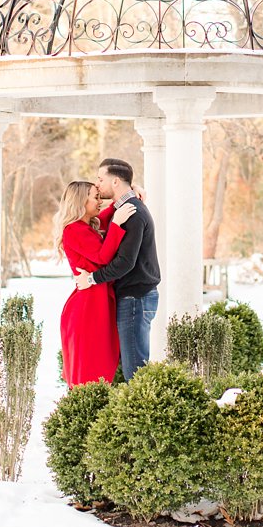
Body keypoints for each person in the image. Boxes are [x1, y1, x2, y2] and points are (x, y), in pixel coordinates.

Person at [74, 157, 162, 380]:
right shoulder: (124, 208)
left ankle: (142, 414)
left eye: (101, 179)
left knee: (135, 370)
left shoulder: (132, 212)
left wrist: (92, 279)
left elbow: (124, 263)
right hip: (134, 296)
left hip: (136, 297)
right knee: (132, 365)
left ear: (115, 183)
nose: (97, 184)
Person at [56, 180, 132, 386]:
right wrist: (117, 224)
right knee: (91, 370)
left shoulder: (86, 226)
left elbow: (105, 217)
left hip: (96, 302)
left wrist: (126, 198)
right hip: (87, 308)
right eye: (95, 197)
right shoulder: (73, 229)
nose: (101, 201)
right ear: (81, 201)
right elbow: (102, 256)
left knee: (101, 366)